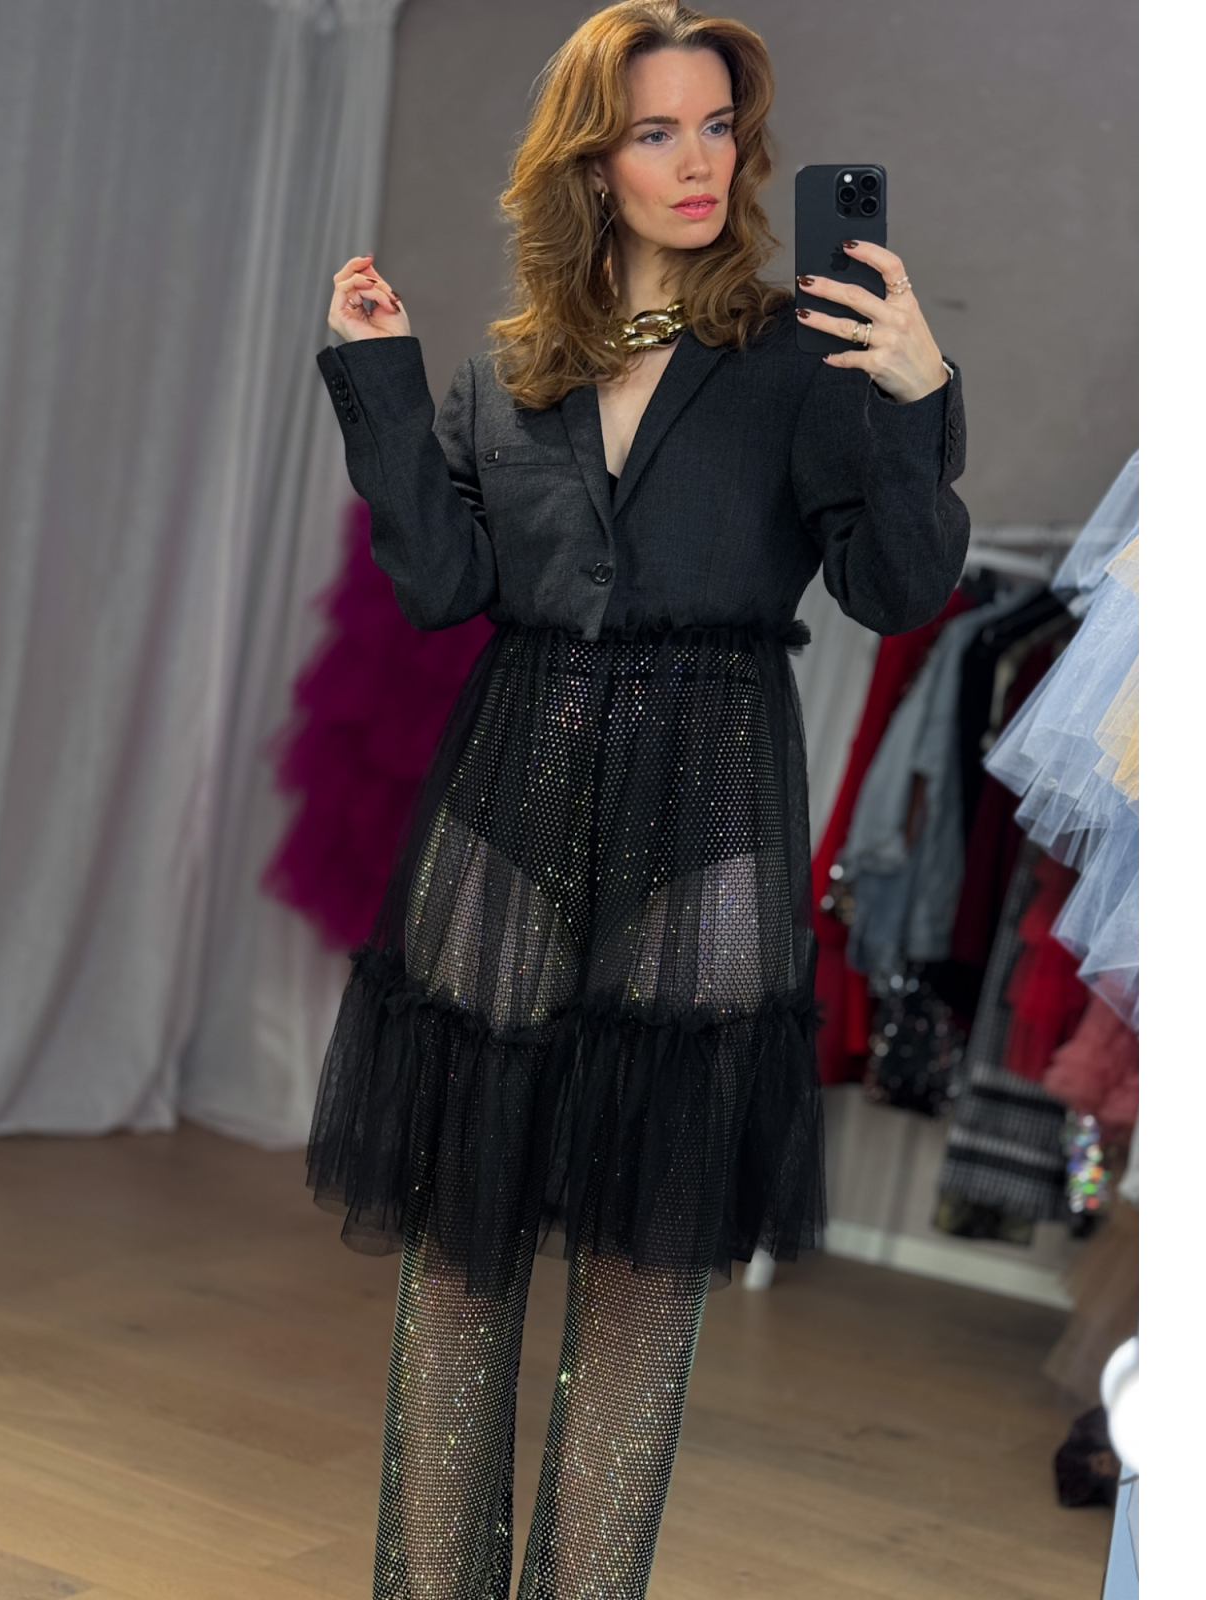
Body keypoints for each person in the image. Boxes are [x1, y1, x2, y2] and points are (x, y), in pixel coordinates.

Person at [307, 3, 968, 1594]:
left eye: (717, 125)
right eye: (657, 129)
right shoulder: (506, 372)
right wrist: (380, 382)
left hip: (708, 805)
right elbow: (442, 584)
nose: (696, 159)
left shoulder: (804, 358)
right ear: (590, 161)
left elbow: (896, 587)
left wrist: (916, 394)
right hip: (510, 804)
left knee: (643, 1268)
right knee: (460, 1255)